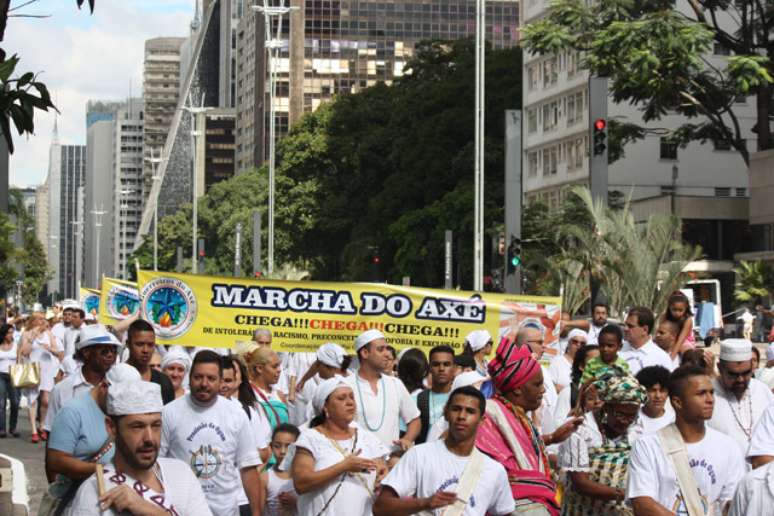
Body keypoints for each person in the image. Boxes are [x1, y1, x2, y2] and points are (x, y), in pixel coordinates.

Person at [64, 380, 212, 515]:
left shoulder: (181, 473)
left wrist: (150, 511)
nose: (149, 438)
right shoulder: (94, 493)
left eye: (155, 425)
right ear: (111, 428)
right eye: (137, 426)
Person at [475, 338, 582, 515]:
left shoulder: (519, 416)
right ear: (517, 389)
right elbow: (498, 472)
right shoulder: (488, 415)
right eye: (537, 384)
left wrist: (552, 438)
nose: (543, 391)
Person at [374, 386, 515, 516]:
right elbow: (380, 507)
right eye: (456, 409)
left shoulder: (494, 470)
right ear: (446, 413)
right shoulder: (419, 455)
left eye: (470, 411)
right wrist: (424, 503)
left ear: (482, 420)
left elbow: (505, 512)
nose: (461, 416)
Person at [627, 366, 745, 515]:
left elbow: (730, 501)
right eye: (701, 393)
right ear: (677, 402)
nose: (710, 400)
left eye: (711, 393)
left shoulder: (728, 446)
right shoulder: (648, 445)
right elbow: (642, 504)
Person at [161, 350, 263, 516]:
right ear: (190, 377)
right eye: (198, 377)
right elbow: (157, 466)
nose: (204, 383)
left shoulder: (236, 414)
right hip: (182, 510)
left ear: (220, 382)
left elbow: (248, 468)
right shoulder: (169, 413)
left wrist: (257, 513)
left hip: (226, 511)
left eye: (211, 378)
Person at [44, 364, 141, 513]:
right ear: (104, 386)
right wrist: (103, 471)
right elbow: (56, 460)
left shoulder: (124, 410)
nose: (124, 402)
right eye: (119, 396)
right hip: (74, 501)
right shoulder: (72, 411)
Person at [290, 376, 389, 515]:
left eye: (351, 397)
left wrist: (382, 473)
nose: (350, 403)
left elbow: (382, 467)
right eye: (341, 398)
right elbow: (301, 483)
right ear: (325, 407)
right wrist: (344, 466)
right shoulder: (310, 438)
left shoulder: (366, 437)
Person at [559, 373, 647, 514]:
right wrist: (626, 495)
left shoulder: (636, 429)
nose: (626, 421)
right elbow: (580, 483)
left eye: (632, 416)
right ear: (606, 408)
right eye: (621, 414)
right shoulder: (580, 429)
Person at [346, 329, 421, 450]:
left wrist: (407, 438)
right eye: (381, 349)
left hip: (390, 463)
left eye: (387, 349)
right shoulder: (345, 385)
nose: (388, 354)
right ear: (365, 353)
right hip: (357, 462)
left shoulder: (395, 384)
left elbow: (414, 419)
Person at [44, 325, 121, 436]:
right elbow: (52, 434)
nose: (110, 355)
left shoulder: (118, 386)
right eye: (104, 351)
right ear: (86, 353)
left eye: (114, 351)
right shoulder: (62, 390)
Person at [707, 339, 774, 460]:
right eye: (733, 374)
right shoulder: (707, 394)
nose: (740, 380)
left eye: (746, 373)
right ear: (720, 368)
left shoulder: (762, 391)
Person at [18, 314, 62, 442]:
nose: (42, 322)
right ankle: (33, 430)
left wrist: (51, 349)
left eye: (43, 319)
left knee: (46, 400)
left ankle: (42, 424)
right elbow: (24, 352)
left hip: (47, 369)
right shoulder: (26, 333)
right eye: (39, 319)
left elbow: (58, 352)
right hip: (33, 368)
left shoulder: (48, 333)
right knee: (32, 399)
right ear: (33, 321)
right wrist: (32, 338)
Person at [125, 320, 175, 405]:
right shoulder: (114, 378)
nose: (145, 350)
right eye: (140, 344)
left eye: (150, 345)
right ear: (128, 344)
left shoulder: (164, 382)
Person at [243, 344, 290, 433]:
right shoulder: (246, 393)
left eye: (279, 366)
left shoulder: (280, 395)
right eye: (274, 366)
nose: (279, 370)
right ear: (259, 368)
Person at [415, 345, 454, 444]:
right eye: (436, 364)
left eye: (446, 364)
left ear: (454, 367)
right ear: (430, 368)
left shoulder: (463, 399)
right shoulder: (417, 399)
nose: (441, 369)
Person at [621, 307, 674, 376]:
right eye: (625, 325)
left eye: (630, 326)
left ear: (645, 330)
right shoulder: (617, 349)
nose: (625, 329)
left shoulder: (662, 358)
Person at [261, 423, 300, 516]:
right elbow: (259, 510)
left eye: (288, 446)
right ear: (271, 446)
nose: (282, 451)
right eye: (277, 446)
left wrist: (297, 503)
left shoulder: (305, 474)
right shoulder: (265, 477)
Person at [628, 366, 674, 442]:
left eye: (662, 391)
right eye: (652, 390)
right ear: (643, 392)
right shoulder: (631, 419)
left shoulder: (673, 420)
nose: (658, 396)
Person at [0, 323, 20, 437]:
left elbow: (19, 360)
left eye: (12, 332)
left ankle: (13, 427)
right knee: (1, 403)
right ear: (3, 333)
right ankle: (2, 429)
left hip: (13, 375)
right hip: (0, 375)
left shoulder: (16, 345)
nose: (11, 335)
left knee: (15, 402)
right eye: (9, 332)